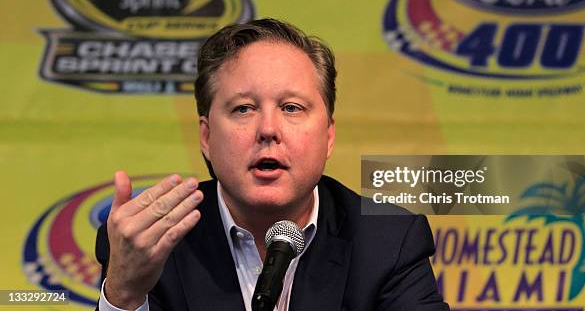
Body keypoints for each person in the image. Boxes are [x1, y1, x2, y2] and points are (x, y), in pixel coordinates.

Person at [96, 18, 449, 311]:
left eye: (291, 108)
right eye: (243, 109)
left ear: (328, 135)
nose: (268, 129)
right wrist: (125, 294)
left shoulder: (387, 243)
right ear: (206, 137)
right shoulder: (153, 243)